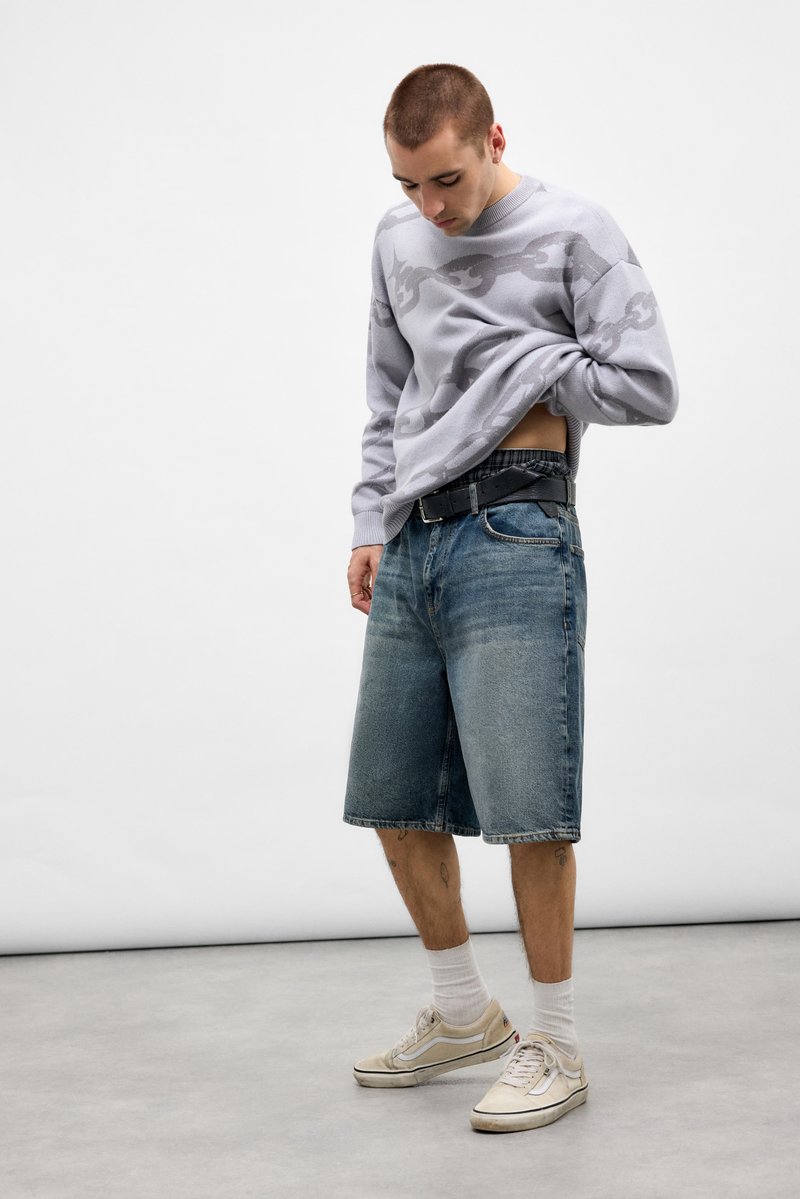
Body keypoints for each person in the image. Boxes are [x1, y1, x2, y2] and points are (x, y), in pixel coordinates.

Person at [342, 63, 678, 1133]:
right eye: (409, 185)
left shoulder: (575, 230)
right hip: (414, 532)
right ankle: (463, 1015)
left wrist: (528, 367)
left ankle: (557, 1045)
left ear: (494, 139)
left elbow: (648, 383)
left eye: (445, 179)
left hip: (517, 526)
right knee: (392, 799)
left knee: (529, 810)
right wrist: (368, 520)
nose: (430, 207)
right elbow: (388, 390)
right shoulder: (396, 240)